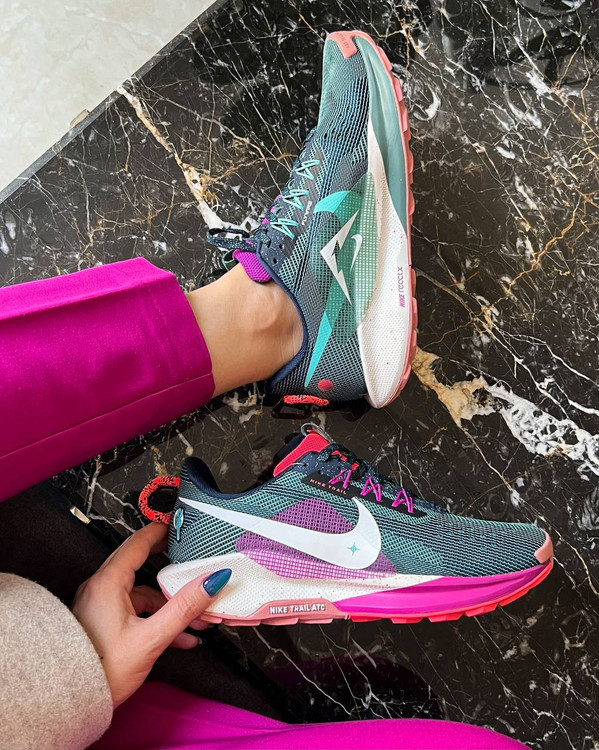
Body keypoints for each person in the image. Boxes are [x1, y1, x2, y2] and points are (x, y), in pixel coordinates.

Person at [0, 257, 525, 749]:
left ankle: (262, 318)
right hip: (75, 714)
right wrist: (74, 673)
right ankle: (272, 330)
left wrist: (65, 665)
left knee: (397, 689)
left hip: (64, 686)